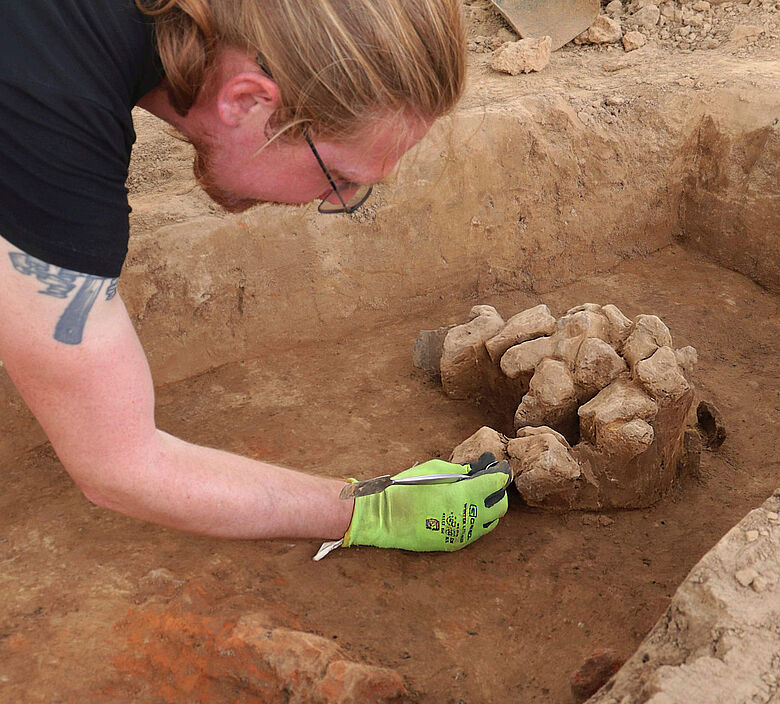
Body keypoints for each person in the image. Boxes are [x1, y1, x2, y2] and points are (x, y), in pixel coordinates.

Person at [0, 0, 511, 556]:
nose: (332, 198)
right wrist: (370, 506)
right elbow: (119, 465)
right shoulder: (49, 119)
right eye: (337, 175)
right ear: (247, 101)